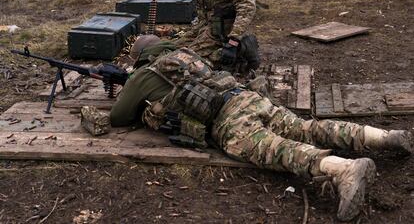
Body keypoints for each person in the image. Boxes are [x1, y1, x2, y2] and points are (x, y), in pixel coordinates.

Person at [109, 35, 412, 222]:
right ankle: (384, 137)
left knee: (278, 150)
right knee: (308, 128)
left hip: (228, 120)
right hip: (248, 97)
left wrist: (126, 86)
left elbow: (119, 117)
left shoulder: (143, 75)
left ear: (140, 58)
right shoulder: (185, 54)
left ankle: (343, 170)